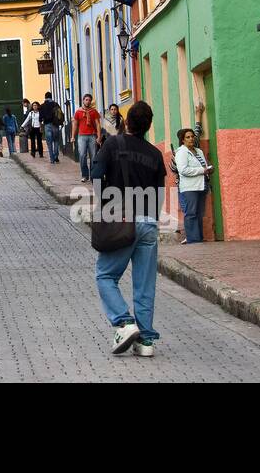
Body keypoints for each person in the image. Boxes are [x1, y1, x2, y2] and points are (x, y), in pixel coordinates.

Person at [91, 101, 166, 358]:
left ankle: (124, 322)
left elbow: (96, 174)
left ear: (126, 121)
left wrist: (106, 207)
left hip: (122, 219)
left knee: (105, 275)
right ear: (148, 126)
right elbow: (159, 194)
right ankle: (146, 341)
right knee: (145, 285)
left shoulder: (113, 143)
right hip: (148, 223)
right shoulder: (155, 154)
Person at [172, 126, 213, 244]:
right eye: (187, 137)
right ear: (183, 140)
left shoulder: (198, 151)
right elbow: (183, 170)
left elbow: (203, 166)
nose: (191, 139)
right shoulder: (181, 152)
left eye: (192, 136)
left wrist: (208, 170)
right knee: (191, 213)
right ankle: (192, 239)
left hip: (202, 185)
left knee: (199, 213)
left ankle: (198, 238)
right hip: (190, 187)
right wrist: (202, 170)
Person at [74, 94, 102, 181]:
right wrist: (72, 136)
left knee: (93, 156)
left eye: (89, 100)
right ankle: (84, 175)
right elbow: (75, 124)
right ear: (83, 100)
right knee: (82, 155)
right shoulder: (78, 112)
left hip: (92, 136)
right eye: (86, 100)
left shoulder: (94, 111)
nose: (88, 101)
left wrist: (99, 136)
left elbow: (98, 124)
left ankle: (93, 175)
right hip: (81, 136)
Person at [42, 92, 64, 163]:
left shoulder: (42, 105)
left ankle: (52, 159)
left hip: (47, 125)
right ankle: (56, 156)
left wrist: (40, 126)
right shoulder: (56, 104)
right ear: (51, 97)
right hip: (55, 125)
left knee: (49, 143)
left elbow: (40, 117)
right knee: (56, 141)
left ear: (45, 97)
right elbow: (60, 113)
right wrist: (61, 122)